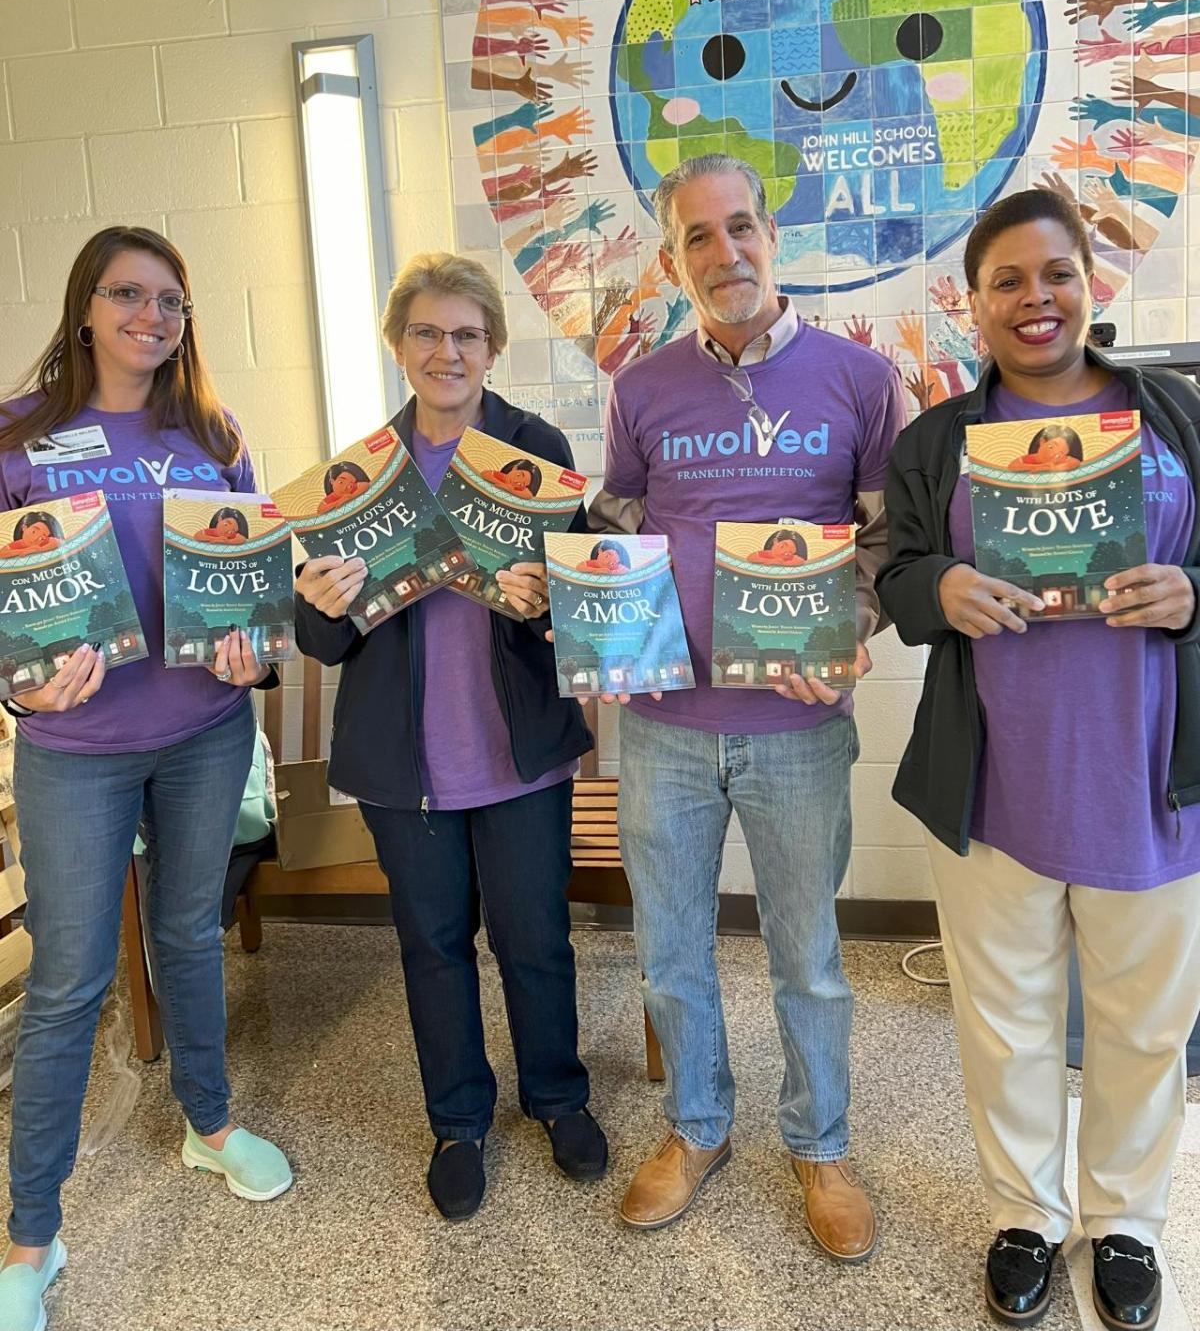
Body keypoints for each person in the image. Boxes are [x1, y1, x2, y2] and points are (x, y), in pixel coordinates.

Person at [878, 186, 1200, 1331]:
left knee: (1143, 1028)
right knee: (1006, 1022)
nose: (1035, 297)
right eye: (1007, 280)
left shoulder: (1173, 411)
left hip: (1149, 785)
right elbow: (892, 572)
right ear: (974, 304)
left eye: (1054, 273)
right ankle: (1026, 1213)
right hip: (995, 787)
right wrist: (938, 587)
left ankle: (1125, 1223)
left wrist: (1192, 591)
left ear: (1090, 283)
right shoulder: (937, 440)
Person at [591, 153, 904, 1254]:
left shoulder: (861, 381)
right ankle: (697, 1127)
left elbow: (888, 539)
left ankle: (820, 1145)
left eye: (740, 229)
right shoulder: (641, 389)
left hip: (799, 732)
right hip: (666, 727)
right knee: (669, 947)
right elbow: (619, 530)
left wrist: (852, 628)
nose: (725, 253)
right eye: (698, 238)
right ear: (672, 257)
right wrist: (597, 614)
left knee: (808, 953)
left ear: (773, 234)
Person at [0, 227, 291, 1331]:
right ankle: (33, 1233)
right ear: (84, 306)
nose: (152, 316)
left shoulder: (210, 434)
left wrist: (253, 650)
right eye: (128, 294)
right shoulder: (19, 436)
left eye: (171, 300)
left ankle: (207, 1126)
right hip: (76, 748)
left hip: (205, 730)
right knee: (73, 978)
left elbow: (254, 590)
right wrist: (22, 690)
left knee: (187, 936)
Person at [294, 251, 606, 1222]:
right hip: (405, 765)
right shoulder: (358, 474)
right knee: (432, 945)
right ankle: (458, 1120)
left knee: (535, 940)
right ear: (399, 346)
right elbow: (319, 635)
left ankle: (557, 1096)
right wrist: (321, 603)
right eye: (426, 332)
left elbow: (586, 603)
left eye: (466, 333)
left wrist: (551, 600)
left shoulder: (535, 442)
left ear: (492, 345)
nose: (446, 350)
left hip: (518, 753)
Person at [1007, 424, 1084, 473]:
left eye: (1061, 453)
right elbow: (1012, 466)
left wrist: (1054, 468)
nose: (1055, 454)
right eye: (1051, 447)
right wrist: (1038, 467)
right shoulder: (1032, 458)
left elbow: (1075, 462)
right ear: (1042, 442)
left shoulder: (1061, 460)